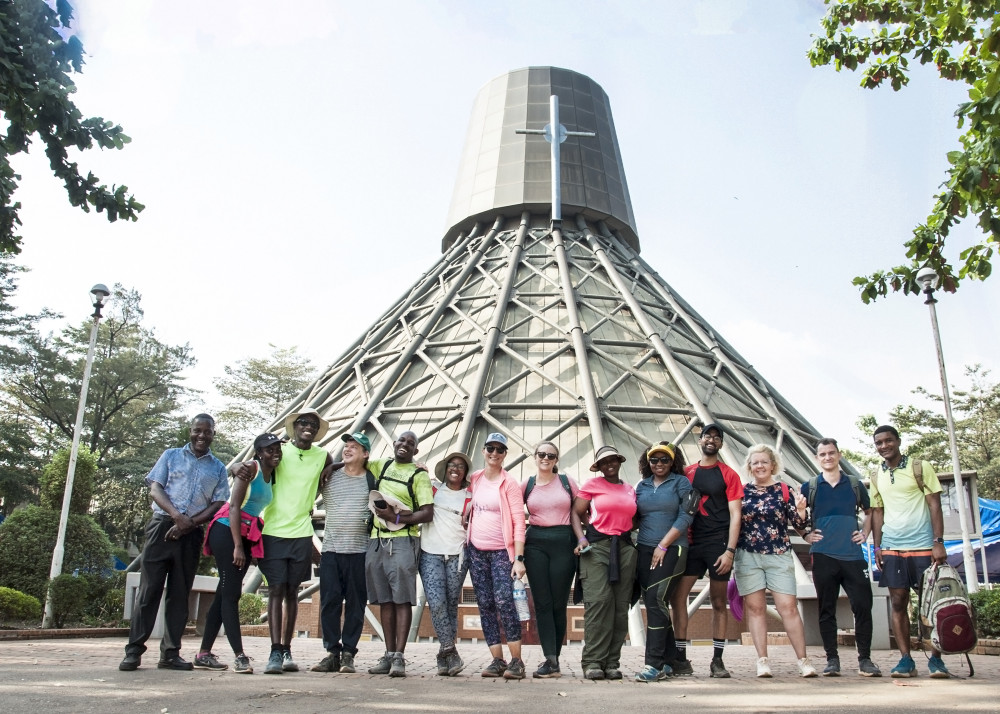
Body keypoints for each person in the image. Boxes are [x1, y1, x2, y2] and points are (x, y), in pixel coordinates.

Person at [119, 414, 229, 672]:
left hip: (191, 534)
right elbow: (156, 490)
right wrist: (177, 517)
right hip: (162, 527)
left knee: (180, 594)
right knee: (149, 592)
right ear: (190, 432)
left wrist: (188, 524)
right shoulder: (170, 456)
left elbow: (218, 503)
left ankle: (170, 653)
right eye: (197, 431)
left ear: (214, 433)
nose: (201, 436)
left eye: (207, 431)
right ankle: (133, 651)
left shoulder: (218, 467)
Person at [256, 408, 334, 675]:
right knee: (276, 591)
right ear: (294, 427)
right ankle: (275, 651)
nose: (308, 427)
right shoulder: (280, 451)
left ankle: (287, 648)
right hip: (273, 531)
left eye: (313, 424)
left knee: (291, 592)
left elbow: (332, 477)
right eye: (303, 423)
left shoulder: (323, 456)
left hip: (302, 533)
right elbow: (259, 465)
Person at [194, 432, 279, 674]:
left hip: (245, 533)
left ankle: (203, 653)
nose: (275, 453)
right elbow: (233, 507)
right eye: (269, 449)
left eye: (277, 449)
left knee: (224, 594)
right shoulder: (250, 469)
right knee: (231, 595)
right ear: (259, 453)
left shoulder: (271, 474)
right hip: (226, 530)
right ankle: (240, 656)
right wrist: (238, 547)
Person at [870, 424, 950, 678]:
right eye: (879, 443)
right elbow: (877, 512)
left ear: (898, 441)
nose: (884, 446)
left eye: (888, 441)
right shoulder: (875, 475)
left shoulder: (919, 467)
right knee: (897, 601)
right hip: (893, 547)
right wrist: (878, 547)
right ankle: (906, 659)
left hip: (923, 545)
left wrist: (938, 541)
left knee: (930, 604)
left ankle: (936, 659)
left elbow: (934, 504)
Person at [735, 444, 817, 678]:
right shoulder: (742, 491)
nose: (759, 466)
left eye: (764, 462)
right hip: (747, 555)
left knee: (788, 608)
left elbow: (799, 525)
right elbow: (734, 522)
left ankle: (803, 660)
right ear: (749, 466)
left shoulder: (784, 489)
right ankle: (762, 661)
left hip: (778, 554)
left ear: (773, 464)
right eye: (755, 462)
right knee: (756, 609)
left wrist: (801, 511)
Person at [801, 438, 880, 677]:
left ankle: (865, 659)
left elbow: (870, 512)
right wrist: (805, 534)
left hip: (852, 555)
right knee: (827, 608)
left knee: (863, 606)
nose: (827, 457)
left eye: (831, 453)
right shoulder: (810, 486)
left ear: (839, 455)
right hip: (823, 555)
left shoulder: (855, 485)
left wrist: (865, 533)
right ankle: (832, 659)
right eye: (823, 454)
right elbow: (796, 514)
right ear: (817, 458)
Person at [670, 423, 743, 677]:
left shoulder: (728, 474)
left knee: (718, 601)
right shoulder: (686, 472)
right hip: (691, 543)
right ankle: (680, 657)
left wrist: (730, 550)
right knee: (678, 597)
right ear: (699, 440)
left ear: (721, 444)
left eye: (716, 437)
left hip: (718, 543)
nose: (711, 440)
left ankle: (717, 660)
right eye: (707, 436)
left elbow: (736, 515)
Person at [366, 430, 434, 678]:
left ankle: (399, 656)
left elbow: (427, 513)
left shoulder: (419, 475)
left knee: (402, 599)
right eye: (401, 441)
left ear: (416, 451)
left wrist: (396, 518)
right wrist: (334, 465)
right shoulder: (380, 464)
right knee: (385, 600)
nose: (404, 445)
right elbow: (356, 461)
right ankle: (388, 653)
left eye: (411, 443)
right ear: (394, 444)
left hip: (403, 541)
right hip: (376, 540)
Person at [572, 444, 638, 681]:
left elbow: (634, 517)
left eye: (613, 460)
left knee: (620, 608)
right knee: (599, 603)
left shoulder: (630, 489)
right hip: (597, 548)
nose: (609, 465)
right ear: (598, 467)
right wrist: (581, 538)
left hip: (625, 549)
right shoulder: (592, 486)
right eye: (603, 462)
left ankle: (612, 662)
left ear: (620, 461)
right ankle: (592, 661)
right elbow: (575, 513)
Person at [311, 432, 373, 675]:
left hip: (360, 551)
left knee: (356, 604)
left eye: (354, 447)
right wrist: (333, 464)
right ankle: (332, 652)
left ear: (365, 454)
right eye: (346, 446)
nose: (347, 449)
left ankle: (349, 652)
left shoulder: (372, 479)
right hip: (332, 550)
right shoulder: (330, 476)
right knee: (329, 602)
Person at [467, 432, 528, 680]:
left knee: (505, 602)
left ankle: (517, 661)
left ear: (504, 455)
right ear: (483, 451)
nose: (494, 453)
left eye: (499, 450)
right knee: (485, 604)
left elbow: (518, 521)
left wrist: (519, 558)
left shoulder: (509, 483)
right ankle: (497, 660)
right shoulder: (475, 478)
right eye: (490, 448)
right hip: (476, 551)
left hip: (502, 552)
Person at [633, 442, 693, 682]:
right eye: (654, 460)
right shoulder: (642, 486)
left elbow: (687, 515)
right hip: (645, 548)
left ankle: (654, 664)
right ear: (648, 463)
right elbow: (636, 517)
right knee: (654, 602)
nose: (659, 464)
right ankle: (670, 662)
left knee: (656, 598)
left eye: (664, 460)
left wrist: (663, 545)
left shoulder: (681, 482)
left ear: (673, 461)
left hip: (673, 549)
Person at [522, 441, 578, 679]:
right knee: (542, 603)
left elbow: (582, 510)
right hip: (535, 542)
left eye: (551, 455)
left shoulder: (567, 482)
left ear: (557, 459)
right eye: (542, 454)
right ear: (534, 457)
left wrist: (583, 539)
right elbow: (508, 508)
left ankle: (555, 656)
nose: (546, 458)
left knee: (558, 604)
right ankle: (550, 659)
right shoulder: (527, 484)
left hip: (563, 541)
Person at [419, 451, 472, 677]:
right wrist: (419, 470)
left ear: (465, 472)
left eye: (460, 466)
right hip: (430, 553)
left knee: (451, 603)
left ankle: (444, 657)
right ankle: (451, 651)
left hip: (457, 554)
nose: (455, 468)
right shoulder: (432, 489)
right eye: (451, 464)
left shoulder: (471, 495)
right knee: (437, 602)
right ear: (445, 468)